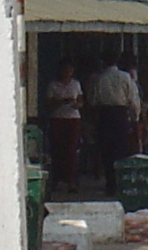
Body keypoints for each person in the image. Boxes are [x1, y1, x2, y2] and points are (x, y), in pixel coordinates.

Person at [87, 52, 138, 190]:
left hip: (104, 115)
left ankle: (110, 182)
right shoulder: (125, 77)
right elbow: (133, 99)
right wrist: (135, 118)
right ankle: (120, 182)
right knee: (121, 149)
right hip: (120, 115)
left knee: (106, 150)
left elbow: (92, 100)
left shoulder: (99, 79)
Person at [42, 58, 83, 191]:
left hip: (73, 119)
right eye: (64, 70)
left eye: (69, 70)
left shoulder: (76, 84)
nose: (67, 73)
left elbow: (81, 101)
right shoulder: (53, 85)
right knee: (57, 149)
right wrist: (62, 101)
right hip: (58, 119)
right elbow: (48, 104)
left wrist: (76, 104)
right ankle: (56, 180)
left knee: (71, 151)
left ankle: (71, 181)